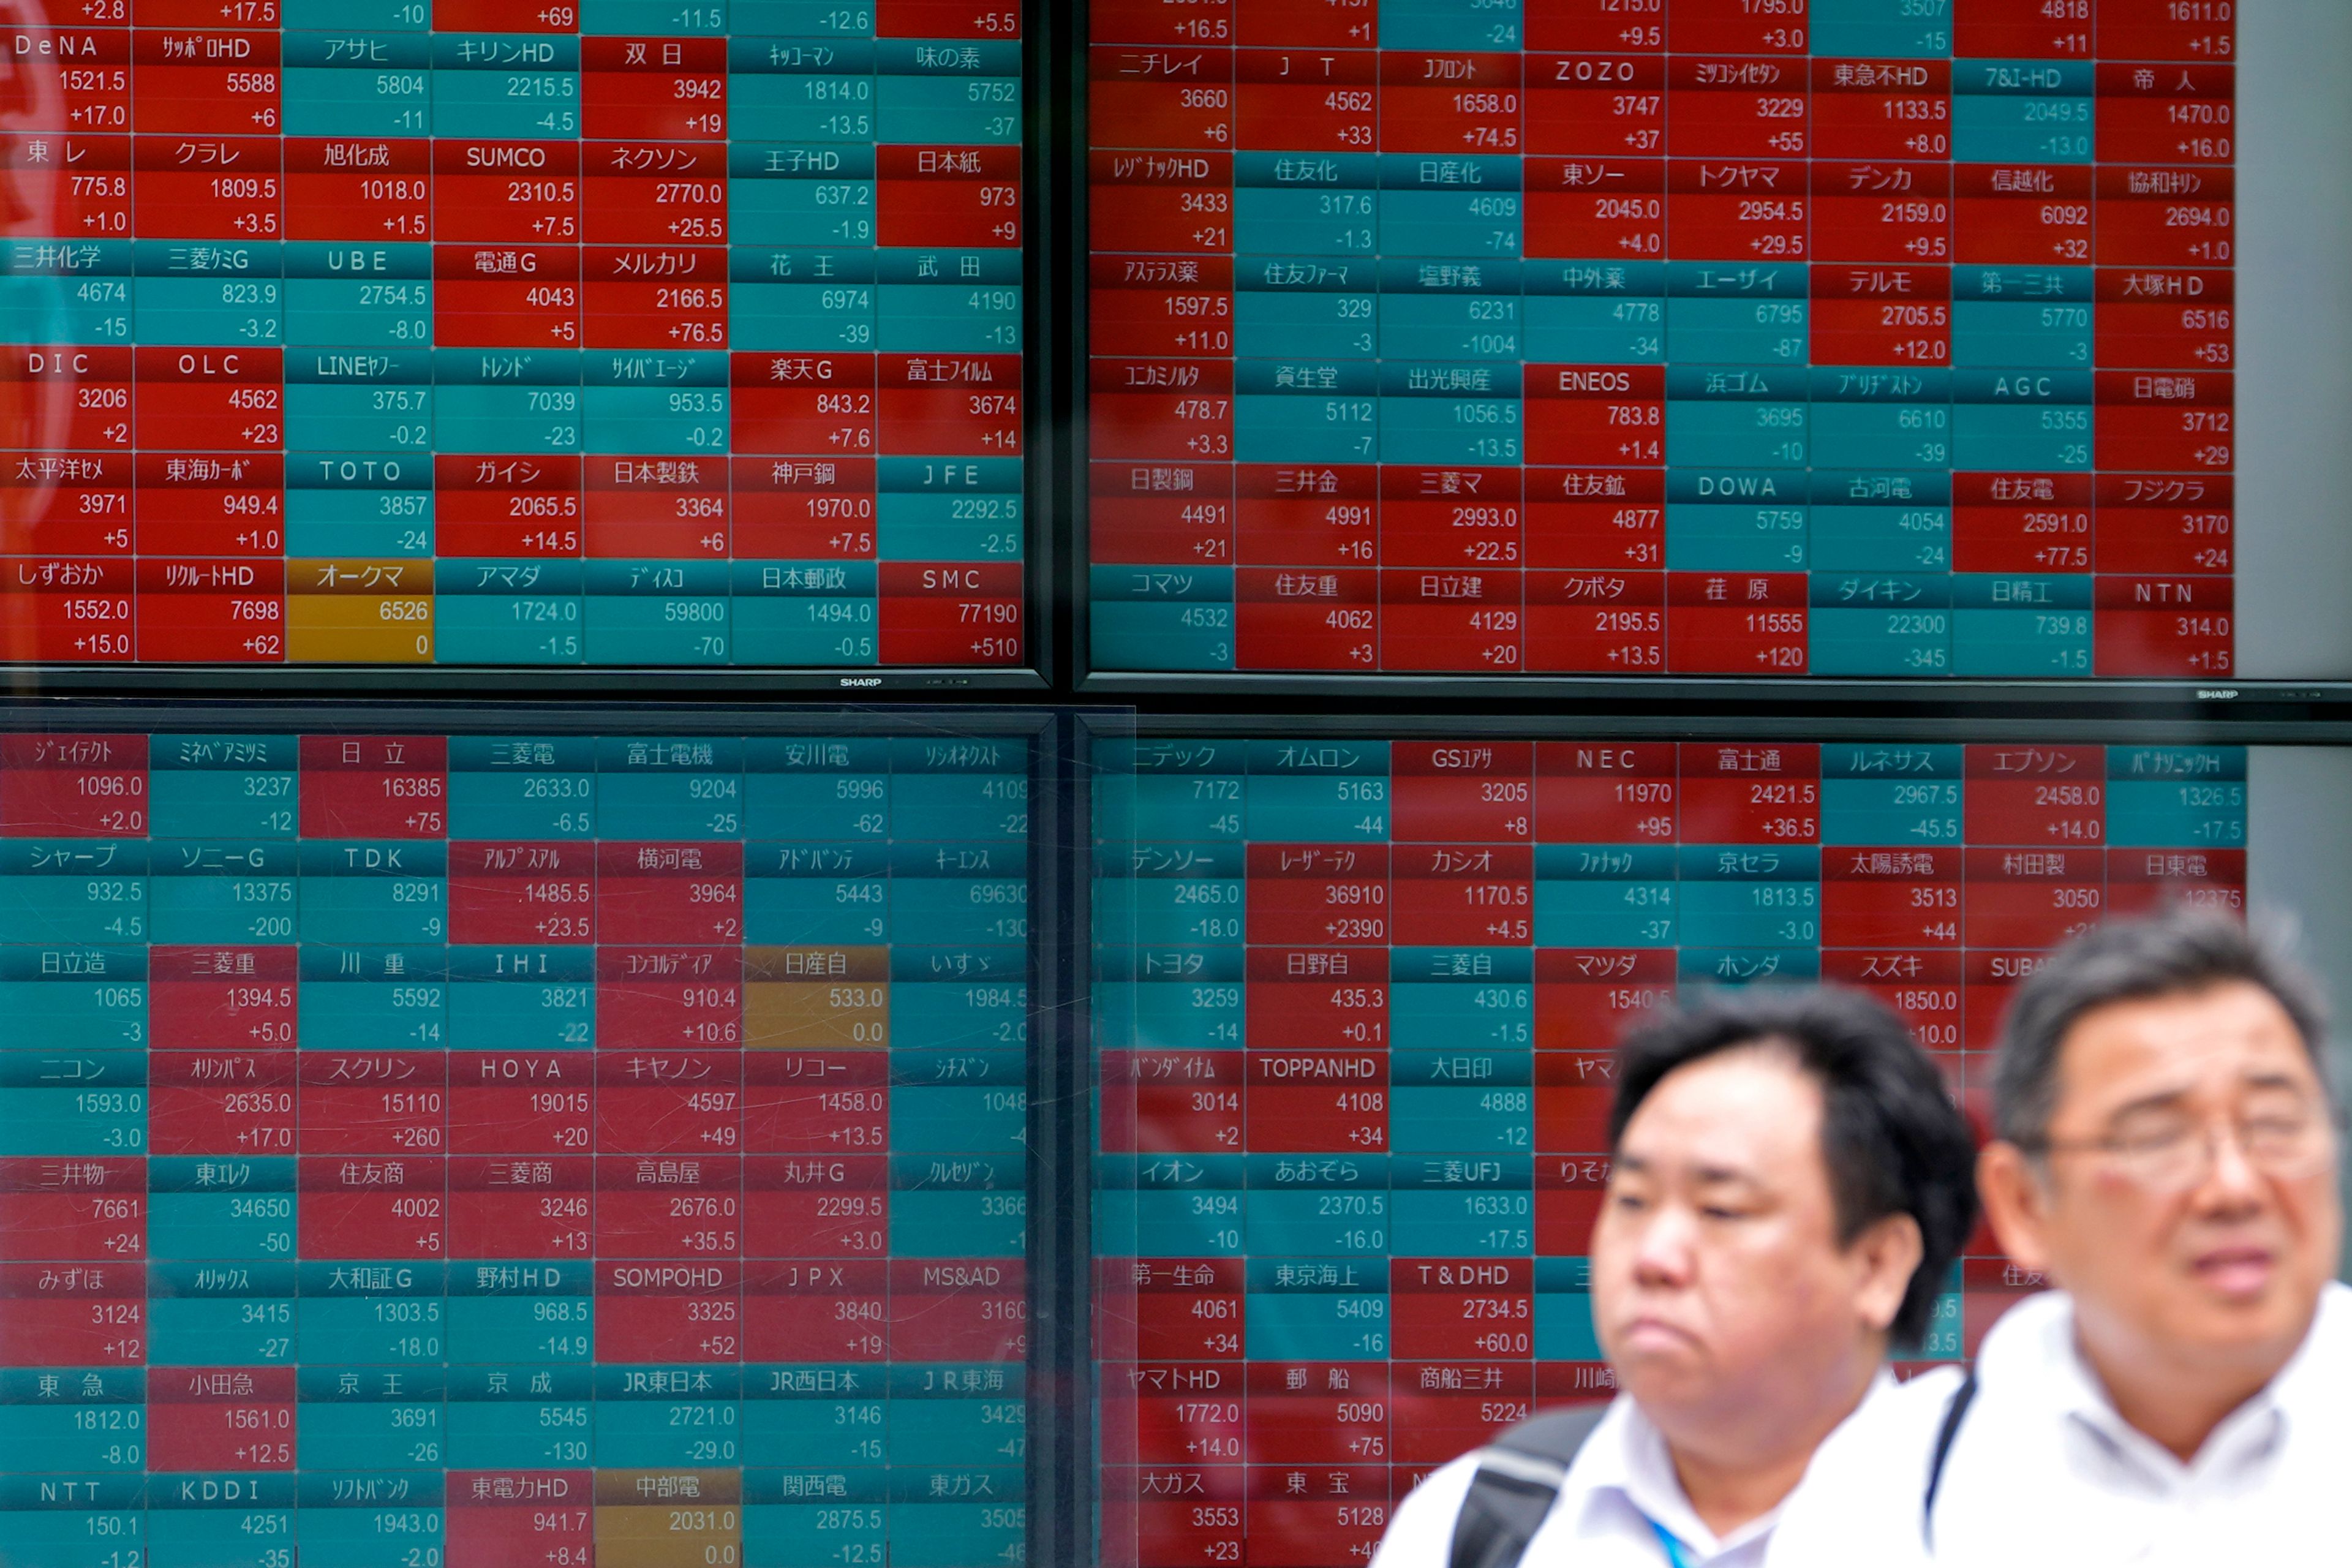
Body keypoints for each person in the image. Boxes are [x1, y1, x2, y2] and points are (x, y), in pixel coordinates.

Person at [1368, 987, 1978, 1568]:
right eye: (1632, 1200)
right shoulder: (1482, 1518)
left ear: (1878, 1265)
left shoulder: (1996, 1524)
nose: (1654, 1257)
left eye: (1722, 1210)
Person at [1926, 908, 2350, 1562]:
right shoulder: (1896, 1487)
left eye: (2275, 1121)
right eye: (2157, 1138)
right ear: (2024, 1203)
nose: (2235, 1187)